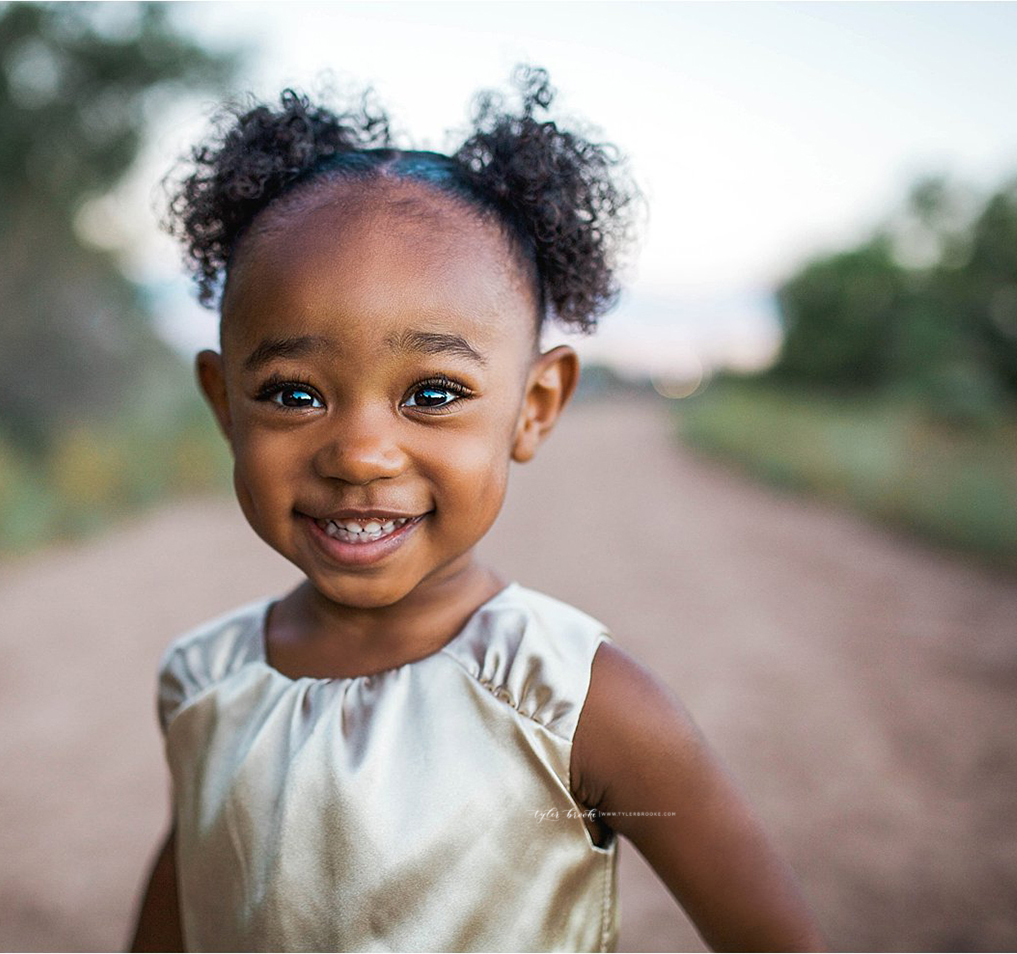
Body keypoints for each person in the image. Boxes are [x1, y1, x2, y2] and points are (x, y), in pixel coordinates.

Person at [130, 66, 824, 952]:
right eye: (295, 395)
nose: (360, 454)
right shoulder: (202, 684)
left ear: (534, 407)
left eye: (432, 390)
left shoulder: (580, 705)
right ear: (225, 403)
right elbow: (197, 872)